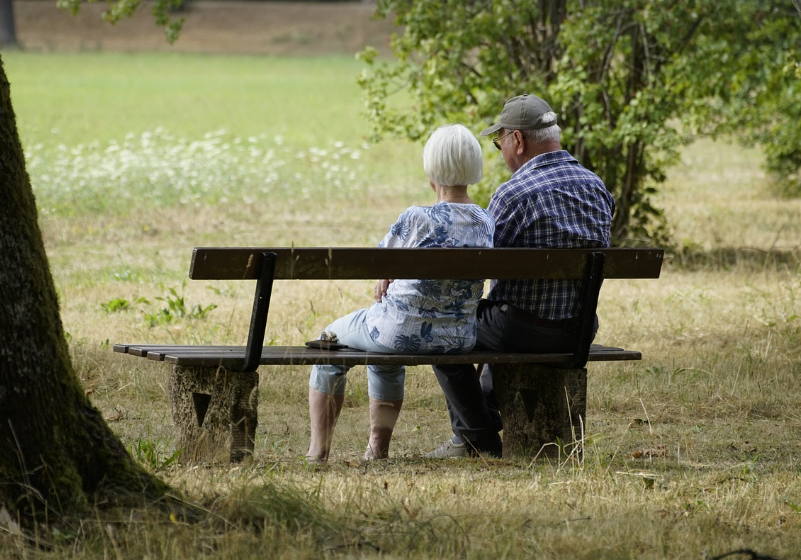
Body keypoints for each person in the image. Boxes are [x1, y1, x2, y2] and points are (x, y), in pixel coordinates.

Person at [425, 94, 615, 459]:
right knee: (501, 313)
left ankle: (477, 437)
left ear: (518, 140)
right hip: (578, 330)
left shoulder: (513, 194)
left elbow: (480, 268)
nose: (501, 152)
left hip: (521, 331)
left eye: (499, 144)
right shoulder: (597, 187)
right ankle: (481, 422)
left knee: (442, 325)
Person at [306, 124, 495, 463]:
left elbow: (377, 263)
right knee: (382, 350)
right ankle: (377, 450)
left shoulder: (416, 218)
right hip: (457, 338)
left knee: (328, 342)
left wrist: (386, 276)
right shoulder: (485, 221)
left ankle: (318, 452)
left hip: (398, 332)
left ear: (431, 169)